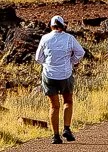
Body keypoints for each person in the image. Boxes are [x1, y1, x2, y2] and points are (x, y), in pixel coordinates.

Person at [35, 15, 85, 144]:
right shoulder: (69, 38)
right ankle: (67, 128)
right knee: (68, 101)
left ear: (51, 26)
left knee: (54, 106)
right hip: (65, 74)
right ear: (63, 25)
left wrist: (47, 64)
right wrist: (71, 62)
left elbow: (38, 58)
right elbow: (80, 52)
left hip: (49, 75)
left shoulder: (45, 38)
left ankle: (55, 136)